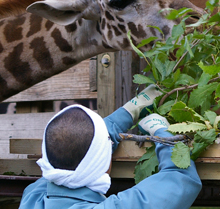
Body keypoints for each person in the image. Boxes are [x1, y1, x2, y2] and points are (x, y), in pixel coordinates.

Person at [19, 85, 202, 208]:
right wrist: (162, 132)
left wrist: (129, 112)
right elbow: (180, 180)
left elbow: (72, 142)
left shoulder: (32, 198)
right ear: (104, 165)